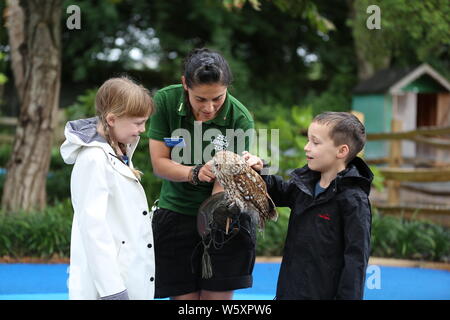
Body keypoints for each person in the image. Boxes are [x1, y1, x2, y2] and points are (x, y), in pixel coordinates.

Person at [147, 48, 255, 300]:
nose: (209, 108)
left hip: (222, 220)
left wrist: (212, 219)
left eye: (217, 98)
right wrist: (195, 173)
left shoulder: (240, 119)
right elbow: (159, 164)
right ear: (185, 84)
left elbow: (225, 182)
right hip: (175, 215)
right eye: (200, 99)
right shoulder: (165, 101)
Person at [244, 111, 373, 300]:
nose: (306, 148)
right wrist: (259, 170)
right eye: (308, 140)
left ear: (341, 151)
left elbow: (356, 260)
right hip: (290, 291)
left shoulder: (354, 200)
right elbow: (278, 192)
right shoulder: (304, 184)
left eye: (315, 142)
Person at [60, 77, 155, 300]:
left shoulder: (117, 151)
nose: (143, 129)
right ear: (112, 119)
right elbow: (93, 229)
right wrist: (112, 290)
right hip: (108, 288)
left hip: (126, 277)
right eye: (138, 122)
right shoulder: (93, 159)